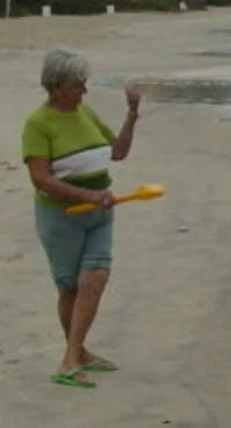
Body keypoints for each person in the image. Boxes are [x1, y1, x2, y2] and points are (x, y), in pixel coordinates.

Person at [21, 48, 142, 389]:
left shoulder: (85, 112)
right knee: (70, 287)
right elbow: (40, 179)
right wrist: (87, 196)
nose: (84, 91)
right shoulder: (38, 124)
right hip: (62, 217)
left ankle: (73, 357)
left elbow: (118, 151)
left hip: (100, 214)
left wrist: (132, 113)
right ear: (56, 87)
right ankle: (75, 355)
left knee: (96, 277)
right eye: (77, 85)